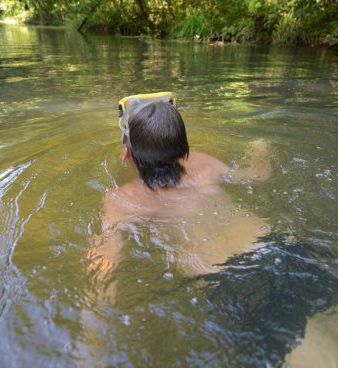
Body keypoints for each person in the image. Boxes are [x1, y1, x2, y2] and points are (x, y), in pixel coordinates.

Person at [88, 92, 272, 280]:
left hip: (215, 273)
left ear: (126, 153)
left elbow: (106, 258)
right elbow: (256, 177)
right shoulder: (204, 162)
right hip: (266, 245)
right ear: (183, 149)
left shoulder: (122, 198)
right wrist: (259, 150)